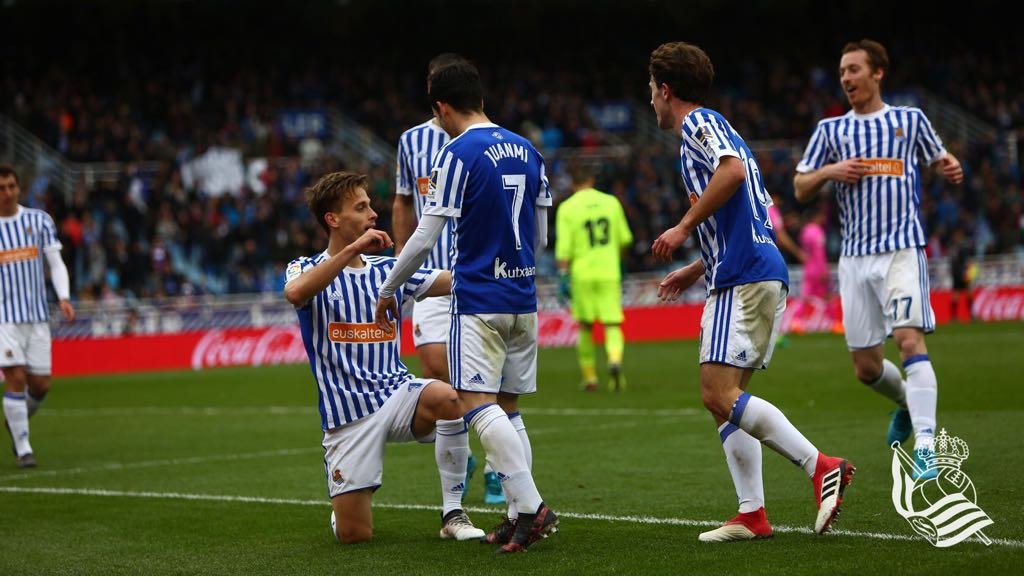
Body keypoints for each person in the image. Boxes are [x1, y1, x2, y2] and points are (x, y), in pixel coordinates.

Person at [647, 42, 854, 542]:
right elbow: (745, 212)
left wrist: (682, 227)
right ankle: (752, 514)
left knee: (716, 392)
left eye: (651, 89)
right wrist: (696, 267)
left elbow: (733, 174)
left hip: (742, 276)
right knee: (725, 399)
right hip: (748, 269)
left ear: (666, 90)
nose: (649, 99)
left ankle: (821, 466)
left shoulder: (699, 124)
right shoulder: (721, 134)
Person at [374, 58, 558, 553]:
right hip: (523, 296)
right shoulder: (529, 149)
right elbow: (541, 237)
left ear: (441, 107)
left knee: (475, 403)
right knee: (510, 408)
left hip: (477, 296)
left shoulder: (456, 152)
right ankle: (517, 517)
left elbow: (423, 236)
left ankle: (533, 507)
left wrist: (390, 287)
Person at [793, 39, 963, 478]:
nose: (846, 78)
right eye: (842, 71)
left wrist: (949, 163)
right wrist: (830, 171)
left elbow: (939, 155)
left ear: (877, 72)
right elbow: (800, 186)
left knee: (908, 340)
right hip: (854, 259)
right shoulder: (831, 131)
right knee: (866, 367)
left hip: (901, 250)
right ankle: (906, 402)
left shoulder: (909, 120)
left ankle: (926, 447)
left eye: (853, 69)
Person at [283, 171, 484, 544]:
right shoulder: (304, 267)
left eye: (370, 205)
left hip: (397, 394)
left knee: (448, 397)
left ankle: (452, 513)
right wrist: (352, 250)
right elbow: (296, 294)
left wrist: (493, 270)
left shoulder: (389, 270)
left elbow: (449, 281)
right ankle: (344, 509)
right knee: (355, 536)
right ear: (333, 219)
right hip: (348, 416)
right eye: (361, 207)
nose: (373, 214)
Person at [393, 52, 504, 506]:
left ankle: (497, 468)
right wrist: (401, 262)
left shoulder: (488, 140)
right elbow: (403, 200)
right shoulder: (411, 142)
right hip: (431, 281)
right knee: (437, 374)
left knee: (491, 381)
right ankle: (462, 460)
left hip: (477, 276)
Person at [0, 164, 75, 469]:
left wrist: (64, 297)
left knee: (41, 385)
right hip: (4, 318)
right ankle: (24, 448)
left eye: (11, 186)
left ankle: (15, 419)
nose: (6, 193)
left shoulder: (39, 220)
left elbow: (55, 263)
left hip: (37, 316)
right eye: (1, 188)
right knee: (15, 377)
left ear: (19, 188)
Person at [554, 162, 634, 392]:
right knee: (612, 323)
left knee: (585, 326)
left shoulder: (567, 208)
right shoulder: (611, 202)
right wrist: (618, 262)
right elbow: (625, 239)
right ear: (592, 180)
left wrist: (562, 276)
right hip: (609, 272)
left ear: (573, 183)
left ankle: (590, 378)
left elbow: (563, 249)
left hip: (582, 274)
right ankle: (614, 360)